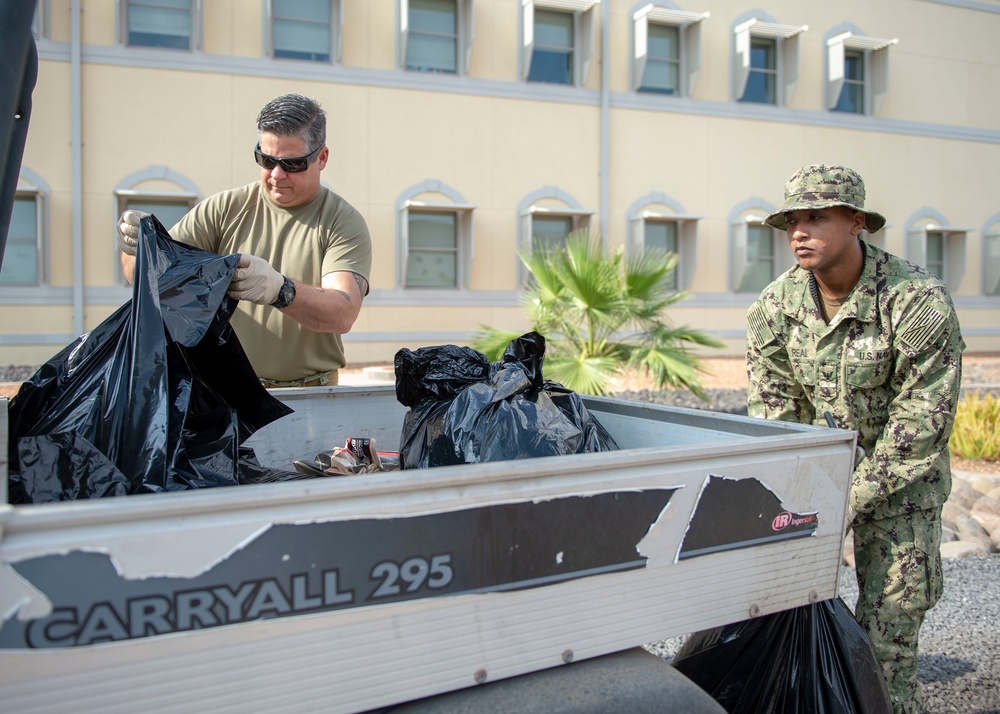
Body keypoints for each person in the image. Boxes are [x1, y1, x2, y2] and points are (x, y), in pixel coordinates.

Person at [745, 165, 964, 714]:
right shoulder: (775, 308)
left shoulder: (916, 302)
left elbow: (921, 426)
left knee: (887, 642)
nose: (800, 231)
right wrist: (792, 498)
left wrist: (848, 498)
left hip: (901, 496)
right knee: (786, 629)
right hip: (813, 489)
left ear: (856, 223)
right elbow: (775, 415)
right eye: (793, 220)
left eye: (817, 217)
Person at [116, 93, 372, 388]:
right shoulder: (224, 209)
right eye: (266, 160)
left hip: (310, 393)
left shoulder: (341, 222)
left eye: (292, 164)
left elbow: (342, 314)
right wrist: (134, 248)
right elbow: (148, 279)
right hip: (227, 393)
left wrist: (282, 290)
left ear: (322, 158)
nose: (276, 175)